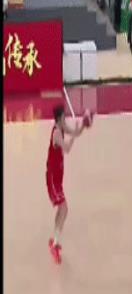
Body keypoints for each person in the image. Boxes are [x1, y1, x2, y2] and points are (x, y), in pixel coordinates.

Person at [46, 105, 85, 264]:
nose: (66, 119)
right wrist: (74, 135)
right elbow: (67, 148)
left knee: (61, 209)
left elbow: (75, 133)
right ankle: (55, 245)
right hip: (53, 178)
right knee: (64, 208)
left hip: (58, 177)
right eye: (64, 117)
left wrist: (82, 125)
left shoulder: (62, 127)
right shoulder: (56, 133)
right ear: (60, 119)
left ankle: (54, 240)